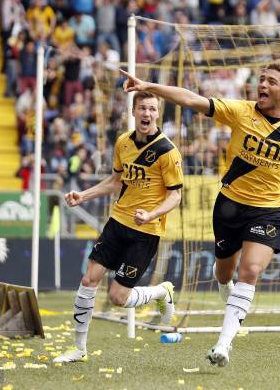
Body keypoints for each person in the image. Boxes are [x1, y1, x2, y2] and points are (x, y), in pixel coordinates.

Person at [120, 62, 280, 367]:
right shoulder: (240, 111)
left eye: (271, 82)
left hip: (267, 213)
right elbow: (190, 99)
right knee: (225, 273)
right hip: (228, 207)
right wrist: (148, 86)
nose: (262, 85)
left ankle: (223, 345)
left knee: (250, 271)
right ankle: (226, 288)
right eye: (261, 79)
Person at [53, 91, 184, 363]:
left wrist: (151, 214)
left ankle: (162, 292)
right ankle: (79, 348)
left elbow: (176, 195)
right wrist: (83, 196)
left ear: (157, 114)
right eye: (142, 109)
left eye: (151, 109)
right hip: (117, 222)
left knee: (117, 297)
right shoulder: (123, 141)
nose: (146, 114)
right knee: (89, 279)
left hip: (146, 232)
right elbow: (115, 182)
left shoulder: (167, 151)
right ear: (133, 112)